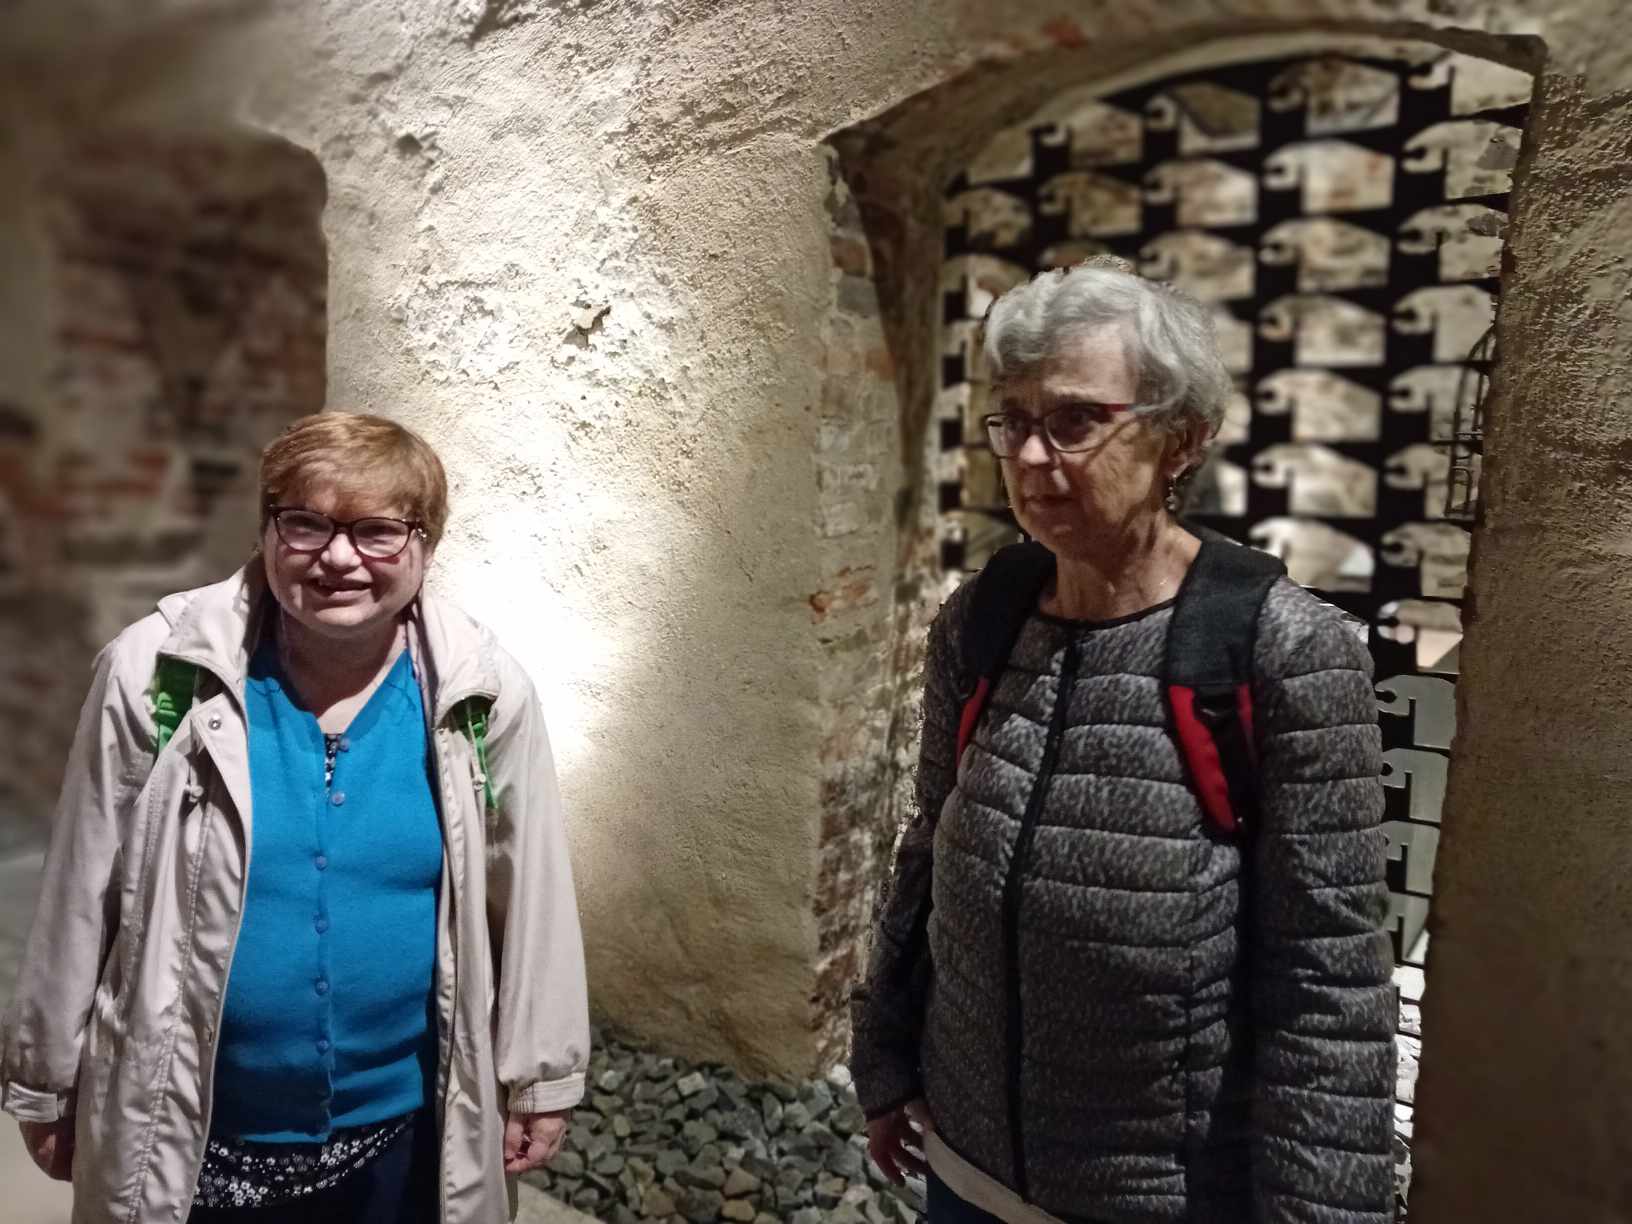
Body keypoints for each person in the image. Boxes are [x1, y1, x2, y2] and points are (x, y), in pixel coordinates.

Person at [850, 259, 1396, 1223]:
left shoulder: (1282, 652)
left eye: (1074, 421)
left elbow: (1328, 983)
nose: (1030, 457)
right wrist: (887, 1055)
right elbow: (928, 852)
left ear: (1180, 438)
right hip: (964, 1172)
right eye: (1013, 421)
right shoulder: (982, 623)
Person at [2, 413, 590, 1224]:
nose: (339, 558)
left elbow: (530, 895)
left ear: (425, 545)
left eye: (378, 531)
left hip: (402, 1141)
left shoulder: (481, 694)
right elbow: (81, 883)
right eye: (307, 523)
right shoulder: (161, 673)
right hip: (192, 1133)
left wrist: (540, 1076)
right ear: (268, 529)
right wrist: (47, 1080)